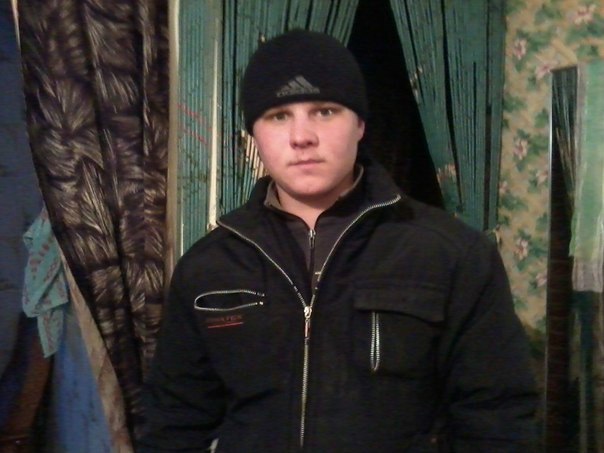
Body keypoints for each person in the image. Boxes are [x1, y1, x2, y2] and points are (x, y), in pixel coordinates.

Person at [139, 29, 538, 452]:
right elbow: (173, 424)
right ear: (253, 134)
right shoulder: (209, 265)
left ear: (360, 124)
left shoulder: (452, 254)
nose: (302, 136)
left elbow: (497, 420)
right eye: (278, 116)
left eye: (325, 112)